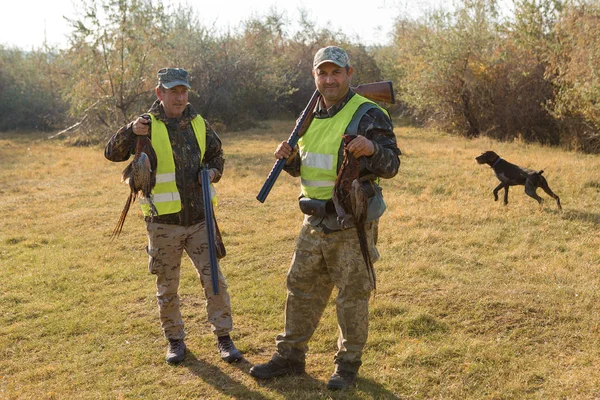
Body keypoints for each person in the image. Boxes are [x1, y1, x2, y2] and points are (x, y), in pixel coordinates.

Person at [249, 46, 401, 390]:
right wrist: (287, 159)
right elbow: (308, 166)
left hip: (350, 221)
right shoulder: (310, 114)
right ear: (314, 76)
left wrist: (373, 149)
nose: (329, 79)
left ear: (350, 74)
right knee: (299, 287)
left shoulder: (369, 112)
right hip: (313, 219)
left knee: (352, 293)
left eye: (336, 72)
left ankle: (347, 367)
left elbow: (392, 166)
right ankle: (290, 357)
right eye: (322, 73)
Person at [104, 67, 242, 365]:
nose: (179, 97)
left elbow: (217, 155)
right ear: (160, 93)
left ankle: (224, 338)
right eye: (172, 91)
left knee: (215, 282)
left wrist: (214, 171)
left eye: (183, 91)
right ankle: (175, 341)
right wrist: (130, 131)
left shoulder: (199, 123)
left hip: (200, 219)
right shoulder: (145, 125)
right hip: (163, 223)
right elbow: (112, 154)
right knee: (167, 286)